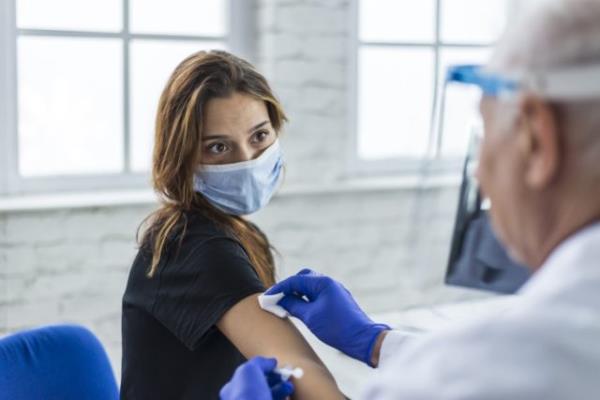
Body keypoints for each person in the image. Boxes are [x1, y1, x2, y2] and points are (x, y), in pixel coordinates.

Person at [221, 0, 600, 398]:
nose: (479, 172)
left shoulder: (479, 376)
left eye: (486, 134)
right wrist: (377, 342)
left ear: (536, 139)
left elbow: (494, 367)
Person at [120, 50, 344, 400]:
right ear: (182, 156)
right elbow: (303, 374)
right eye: (218, 147)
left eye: (259, 136)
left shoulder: (242, 235)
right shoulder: (195, 247)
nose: (247, 162)